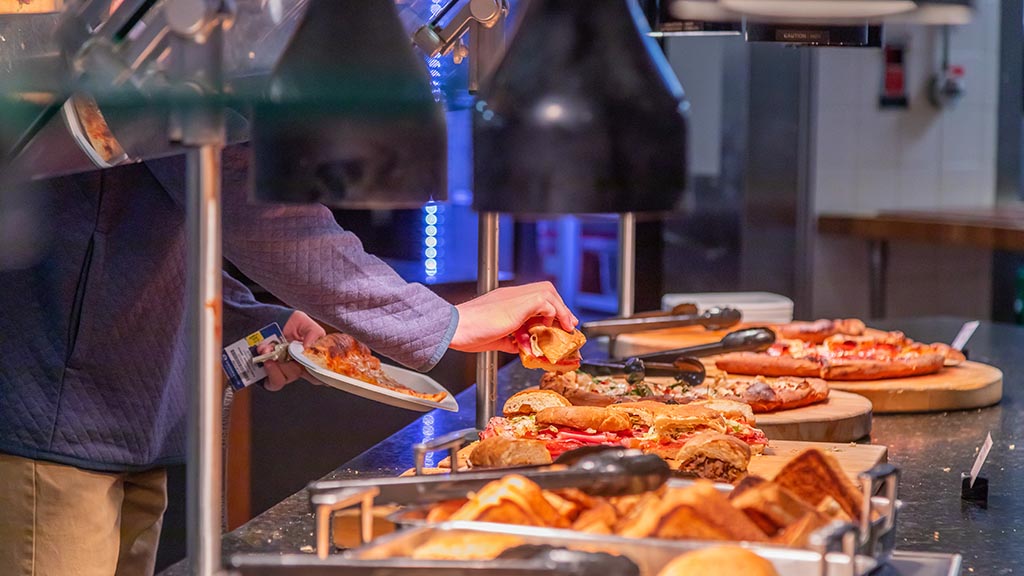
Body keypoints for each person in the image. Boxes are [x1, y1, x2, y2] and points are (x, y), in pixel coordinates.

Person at [0, 146, 577, 576]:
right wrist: (446, 322)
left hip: (137, 420)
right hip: (55, 415)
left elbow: (142, 231)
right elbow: (250, 199)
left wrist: (249, 321)